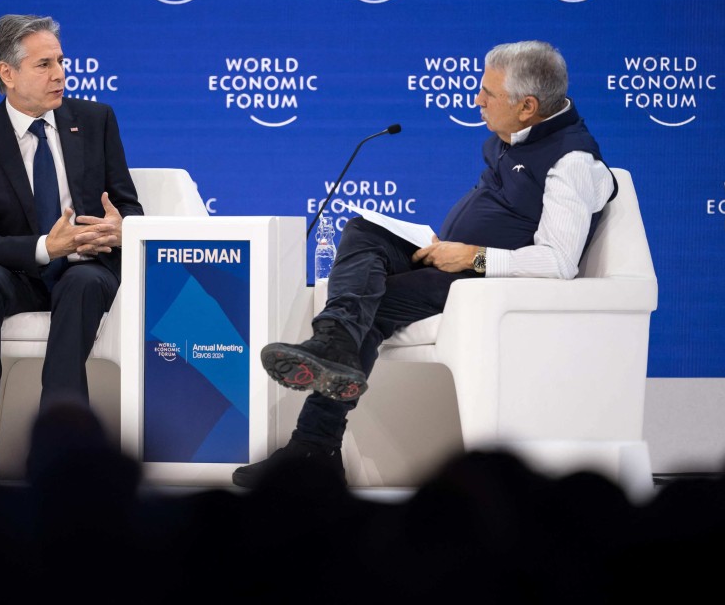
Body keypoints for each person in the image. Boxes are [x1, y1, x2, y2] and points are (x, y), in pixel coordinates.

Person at [233, 40, 617, 488]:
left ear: (527, 106)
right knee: (364, 230)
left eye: (489, 93)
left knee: (370, 304)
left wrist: (471, 256)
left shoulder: (571, 162)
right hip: (450, 258)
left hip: (481, 281)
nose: (477, 100)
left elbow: (559, 261)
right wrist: (447, 246)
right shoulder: (511, 139)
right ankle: (334, 342)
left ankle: (314, 446)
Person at [0, 14, 143, 483]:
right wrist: (44, 246)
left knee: (83, 282)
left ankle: (60, 439)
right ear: (7, 73)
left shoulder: (95, 121)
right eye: (44, 64)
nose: (60, 74)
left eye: (60, 61)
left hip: (86, 266)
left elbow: (129, 208)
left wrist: (122, 229)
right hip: (19, 274)